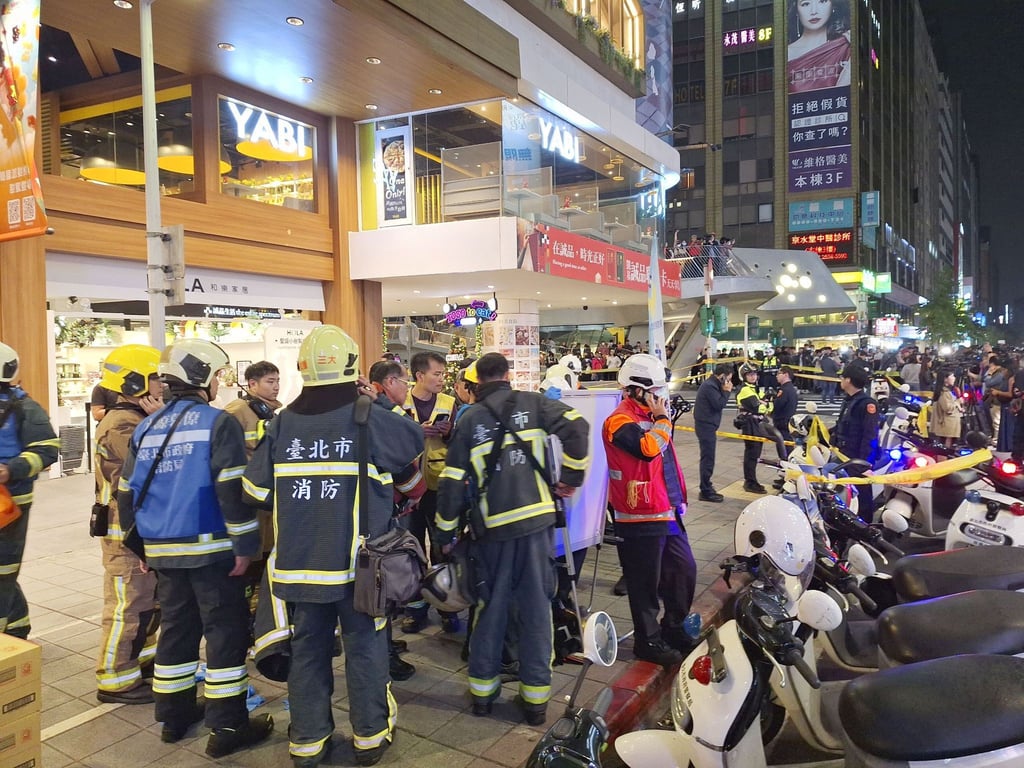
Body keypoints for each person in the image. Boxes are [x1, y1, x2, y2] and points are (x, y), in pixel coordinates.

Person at [244, 326, 424, 767]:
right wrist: (379, 399)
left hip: (299, 567)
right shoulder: (370, 416)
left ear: (303, 369)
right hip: (361, 569)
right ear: (352, 366)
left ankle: (307, 742)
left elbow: (253, 489)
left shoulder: (282, 422)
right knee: (365, 648)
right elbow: (411, 450)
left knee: (307, 652)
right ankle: (369, 738)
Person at [118, 339, 272, 757]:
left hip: (163, 550)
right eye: (217, 375)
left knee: (177, 630)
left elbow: (126, 492)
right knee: (225, 633)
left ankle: (173, 715)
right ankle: (228, 726)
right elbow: (230, 489)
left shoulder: (146, 426)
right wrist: (246, 544)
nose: (220, 383)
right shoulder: (215, 422)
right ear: (201, 377)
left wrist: (141, 548)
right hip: (211, 550)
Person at [436, 352, 589, 726]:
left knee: (490, 609)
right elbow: (579, 428)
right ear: (507, 375)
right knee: (537, 608)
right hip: (537, 527)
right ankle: (536, 702)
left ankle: (483, 696)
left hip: (493, 533)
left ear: (476, 383)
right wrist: (571, 478)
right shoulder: (534, 403)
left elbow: (452, 482)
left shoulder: (470, 419)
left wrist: (444, 532)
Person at [603, 354, 697, 667]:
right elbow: (647, 450)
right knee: (644, 584)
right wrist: (663, 421)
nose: (662, 395)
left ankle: (673, 627)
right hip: (639, 514)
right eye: (656, 389)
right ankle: (648, 640)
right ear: (636, 389)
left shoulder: (653, 415)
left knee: (683, 571)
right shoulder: (619, 420)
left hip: (665, 510)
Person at [93, 344, 164, 705]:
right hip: (124, 534)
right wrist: (161, 421)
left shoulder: (135, 419)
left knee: (147, 603)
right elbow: (149, 467)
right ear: (135, 382)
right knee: (127, 606)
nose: (161, 385)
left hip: (138, 531)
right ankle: (115, 678)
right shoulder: (122, 423)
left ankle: (141, 664)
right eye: (155, 378)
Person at [367, 359, 425, 683]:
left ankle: (386, 644)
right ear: (389, 382)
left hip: (368, 518)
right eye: (403, 381)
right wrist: (416, 492)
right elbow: (405, 469)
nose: (406, 388)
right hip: (378, 518)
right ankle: (385, 656)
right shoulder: (381, 416)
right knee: (379, 589)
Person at [0, 342, 59, 638]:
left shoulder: (24, 407)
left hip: (10, 504)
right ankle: (17, 630)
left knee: (3, 570)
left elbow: (48, 449)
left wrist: (12, 469)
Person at [401, 351, 457, 634]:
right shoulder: (401, 402)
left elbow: (456, 440)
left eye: (443, 374)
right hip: (407, 487)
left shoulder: (449, 402)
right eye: (436, 374)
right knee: (410, 549)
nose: (441, 379)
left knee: (442, 547)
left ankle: (448, 605)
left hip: (438, 485)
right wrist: (415, 432)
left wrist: (447, 433)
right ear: (419, 375)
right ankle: (415, 607)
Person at [832, 364, 880, 520]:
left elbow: (870, 436)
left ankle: (866, 529)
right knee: (845, 495)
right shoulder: (849, 401)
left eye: (842, 377)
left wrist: (864, 464)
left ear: (849, 380)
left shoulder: (867, 404)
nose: (840, 380)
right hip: (844, 456)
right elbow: (843, 426)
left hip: (857, 460)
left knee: (862, 498)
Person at [787, 0, 851, 94]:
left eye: (822, 1)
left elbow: (843, 96)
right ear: (796, 10)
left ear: (833, 5)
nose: (814, 11)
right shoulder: (787, 54)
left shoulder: (844, 47)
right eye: (806, 4)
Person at [693, 363, 735, 502]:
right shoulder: (710, 386)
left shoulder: (713, 385)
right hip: (705, 426)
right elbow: (719, 404)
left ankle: (706, 486)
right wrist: (727, 391)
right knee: (708, 458)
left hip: (708, 425)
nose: (729, 382)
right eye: (728, 379)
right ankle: (705, 489)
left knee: (708, 457)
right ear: (722, 376)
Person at [736, 363, 772, 494]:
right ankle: (750, 482)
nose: (753, 377)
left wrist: (765, 404)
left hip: (757, 424)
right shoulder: (745, 390)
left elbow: (766, 408)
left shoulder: (755, 389)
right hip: (750, 425)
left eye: (754, 374)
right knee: (752, 454)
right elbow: (758, 408)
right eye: (750, 374)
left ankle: (752, 481)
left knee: (754, 454)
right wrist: (765, 403)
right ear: (744, 376)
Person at [930, 369, 963, 448]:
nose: (954, 378)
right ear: (945, 379)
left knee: (946, 443)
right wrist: (958, 402)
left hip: (948, 424)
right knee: (945, 445)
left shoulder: (946, 391)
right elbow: (948, 408)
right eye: (952, 376)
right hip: (946, 424)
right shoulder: (944, 393)